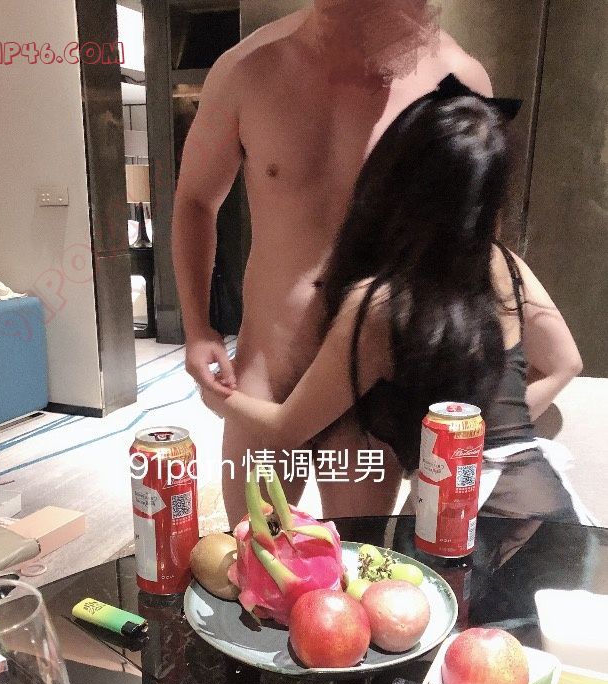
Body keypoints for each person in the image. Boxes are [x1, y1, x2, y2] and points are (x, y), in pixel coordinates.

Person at [201, 82, 586, 524]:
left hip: (459, 520)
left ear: (393, 180)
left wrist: (216, 397)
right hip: (549, 504)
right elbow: (565, 362)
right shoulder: (505, 264)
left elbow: (287, 428)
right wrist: (483, 433)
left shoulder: (382, 304)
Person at [173, 0, 493, 526]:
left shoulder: (456, 81)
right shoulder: (248, 69)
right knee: (257, 551)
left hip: (367, 380)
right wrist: (196, 327)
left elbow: (469, 245)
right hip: (266, 368)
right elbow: (195, 200)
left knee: (358, 555)